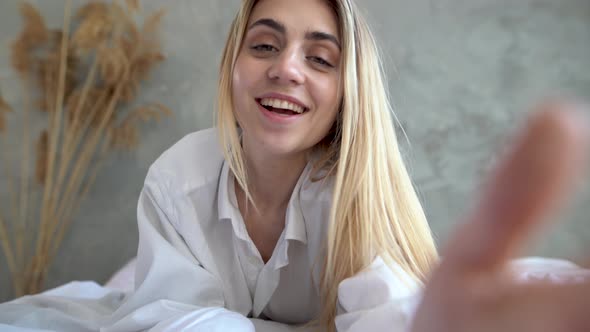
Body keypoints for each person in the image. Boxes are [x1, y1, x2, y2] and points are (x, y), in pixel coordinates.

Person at [1, 0, 589, 331]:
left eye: (321, 58)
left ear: (346, 91)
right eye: (263, 45)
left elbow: (389, 317)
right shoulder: (179, 177)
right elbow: (170, 318)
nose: (286, 69)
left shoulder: (357, 195)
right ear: (232, 67)